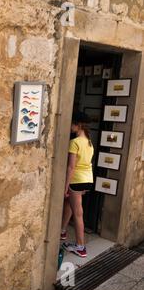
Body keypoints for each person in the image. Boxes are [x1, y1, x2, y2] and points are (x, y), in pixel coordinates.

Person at [61, 111, 94, 258]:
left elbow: (71, 167)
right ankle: (62, 231)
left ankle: (81, 247)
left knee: (78, 213)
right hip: (87, 179)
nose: (71, 126)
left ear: (78, 124)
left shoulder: (74, 142)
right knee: (70, 204)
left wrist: (66, 186)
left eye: (73, 123)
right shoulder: (89, 141)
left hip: (77, 180)